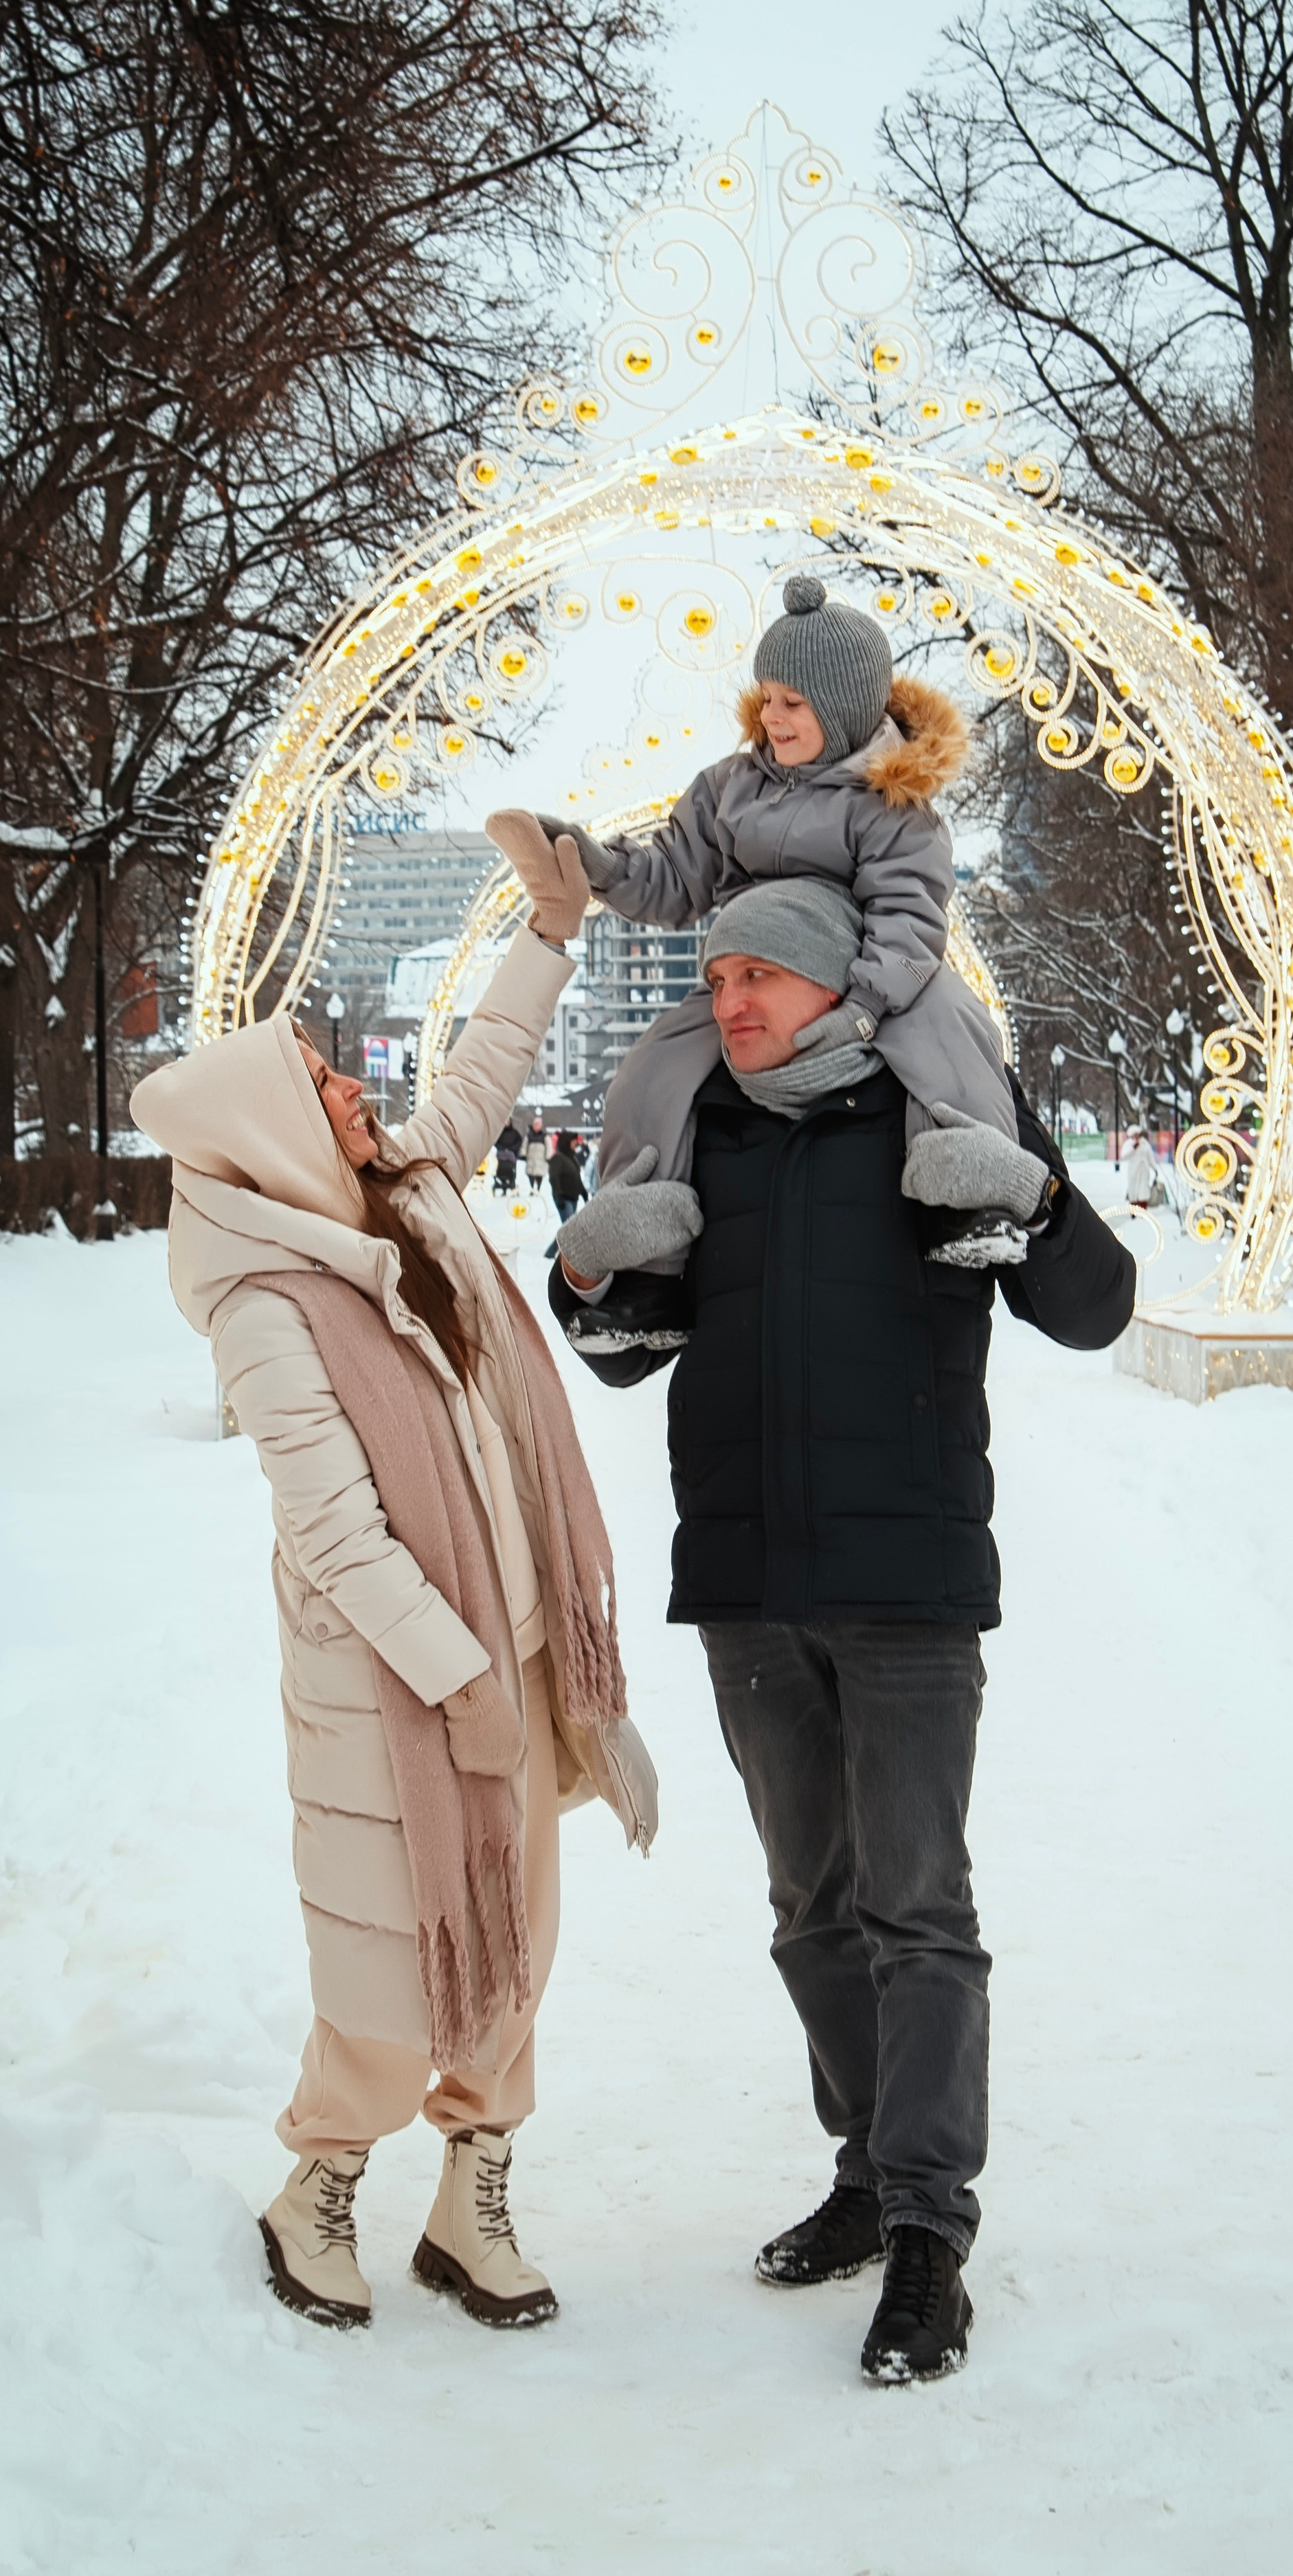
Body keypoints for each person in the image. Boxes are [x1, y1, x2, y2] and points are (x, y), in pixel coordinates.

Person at [548, 882, 1134, 2386]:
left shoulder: (938, 1120)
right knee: (809, 1905)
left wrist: (1039, 1200)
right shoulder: (702, 1137)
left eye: (760, 976)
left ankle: (930, 2233)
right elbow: (623, 1357)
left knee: (915, 1905)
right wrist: (586, 1270)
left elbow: (1094, 1306)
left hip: (909, 1583)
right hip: (746, 1581)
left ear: (830, 986)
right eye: (716, 974)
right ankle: (868, 2172)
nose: (730, 1000)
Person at [130, 834, 656, 2338]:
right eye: (322, 1085)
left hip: (521, 1638)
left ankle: (470, 2194)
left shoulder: (404, 1201)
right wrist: (458, 1677)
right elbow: (342, 1534)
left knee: (517, 1949)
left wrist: (550, 931)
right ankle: (317, 2186)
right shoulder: (263, 1300)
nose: (355, 1091)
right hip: (389, 1683)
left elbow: (480, 1076)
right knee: (388, 1963)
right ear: (270, 1133)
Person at [488, 576, 1023, 1269]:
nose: (772, 716)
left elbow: (908, 918)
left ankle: (971, 1192)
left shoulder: (890, 800)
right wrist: (601, 866)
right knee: (655, 1066)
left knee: (951, 1027)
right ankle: (642, 1237)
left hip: (865, 976)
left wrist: (863, 1008)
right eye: (767, 696)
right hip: (751, 970)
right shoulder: (730, 788)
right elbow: (674, 879)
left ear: (844, 706)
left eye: (792, 703)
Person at [492, 1116, 523, 1197]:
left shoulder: (515, 1133)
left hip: (511, 1155)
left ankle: (511, 1184)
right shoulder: (500, 1133)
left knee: (511, 1170)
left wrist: (512, 1149)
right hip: (501, 1155)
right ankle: (503, 1185)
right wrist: (501, 1148)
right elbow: (496, 1142)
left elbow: (519, 1142)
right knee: (500, 1169)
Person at [524, 1115, 548, 1197]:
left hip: (541, 1158)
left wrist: (548, 1156)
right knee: (530, 1174)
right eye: (535, 1125)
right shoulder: (529, 1135)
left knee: (539, 1174)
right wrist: (524, 1154)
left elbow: (549, 1147)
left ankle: (538, 1188)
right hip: (531, 1157)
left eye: (538, 1125)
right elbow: (525, 1145)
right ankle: (532, 1188)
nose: (536, 1127)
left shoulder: (544, 1136)